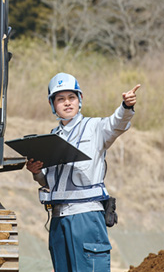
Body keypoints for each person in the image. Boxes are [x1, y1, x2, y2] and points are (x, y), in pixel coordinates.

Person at [26, 72, 140, 272]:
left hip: (86, 217)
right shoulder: (51, 138)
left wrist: (126, 106)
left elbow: (117, 123)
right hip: (58, 219)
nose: (67, 103)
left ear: (80, 101)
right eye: (60, 99)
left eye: (72, 97)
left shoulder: (95, 127)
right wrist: (36, 172)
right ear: (53, 105)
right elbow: (48, 181)